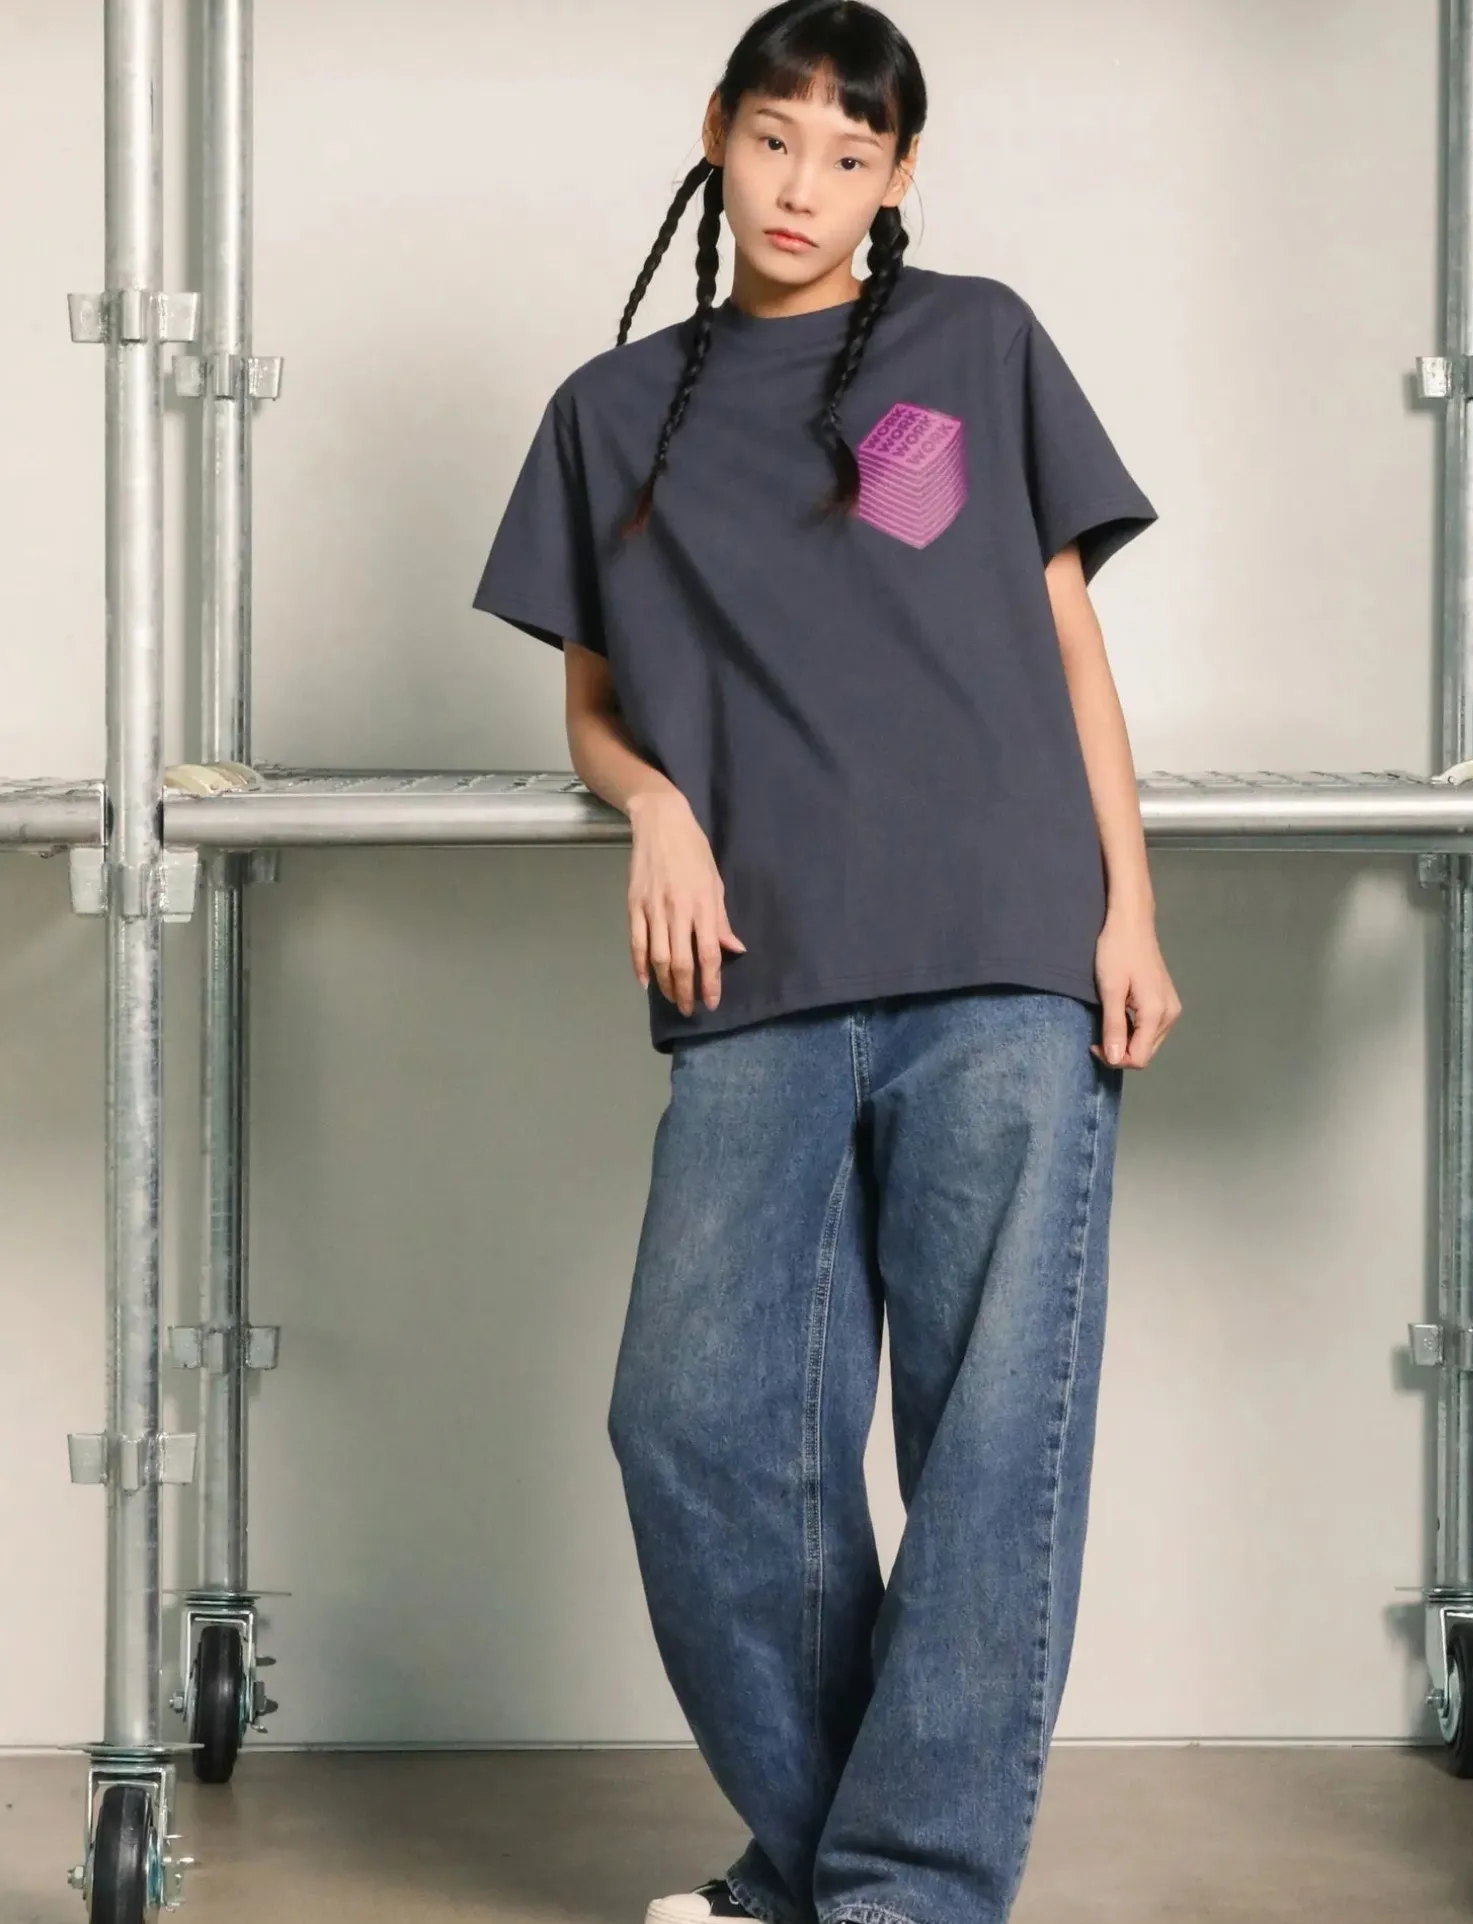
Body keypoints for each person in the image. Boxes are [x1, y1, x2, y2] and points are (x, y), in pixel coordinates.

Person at [472, 4, 1182, 1922]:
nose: (805, 187)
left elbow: (1067, 647)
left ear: (899, 174)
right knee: (694, 1426)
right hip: (754, 964)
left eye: (850, 156)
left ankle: (903, 1895)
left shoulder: (977, 343)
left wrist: (1126, 907)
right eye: (776, 140)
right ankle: (831, 1871)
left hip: (1003, 951)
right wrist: (654, 805)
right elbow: (595, 708)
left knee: (990, 1443)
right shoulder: (610, 411)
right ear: (717, 132)